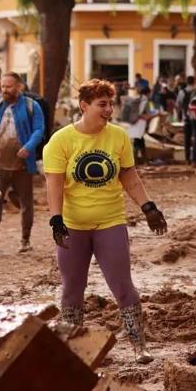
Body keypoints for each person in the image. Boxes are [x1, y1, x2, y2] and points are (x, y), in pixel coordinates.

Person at [43, 79, 168, 363]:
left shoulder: (118, 136)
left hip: (110, 221)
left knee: (122, 285)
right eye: (102, 104)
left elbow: (129, 175)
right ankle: (72, 349)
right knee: (73, 287)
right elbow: (54, 183)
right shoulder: (61, 141)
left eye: (111, 104)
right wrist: (56, 220)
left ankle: (139, 344)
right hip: (73, 225)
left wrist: (148, 207)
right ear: (84, 106)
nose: (109, 110)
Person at [0, 72, 45, 254]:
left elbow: (39, 129)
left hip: (23, 163)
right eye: (2, 86)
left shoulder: (32, 106)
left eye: (9, 86)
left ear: (19, 87)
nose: (5, 90)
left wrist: (29, 146)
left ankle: (25, 240)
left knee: (26, 202)